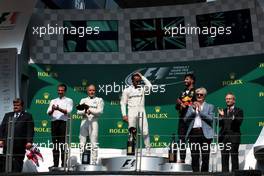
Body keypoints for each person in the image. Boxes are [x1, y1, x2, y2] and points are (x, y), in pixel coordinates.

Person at [120, 72, 152, 154]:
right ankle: (133, 150)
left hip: (141, 111)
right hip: (131, 112)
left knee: (145, 131)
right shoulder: (127, 90)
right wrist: (124, 114)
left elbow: (150, 86)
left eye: (139, 81)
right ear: (132, 81)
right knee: (132, 132)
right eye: (136, 81)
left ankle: (148, 150)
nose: (138, 83)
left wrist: (142, 76)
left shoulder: (142, 88)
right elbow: (123, 103)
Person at [0, 98, 34, 172]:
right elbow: (2, 128)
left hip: (19, 145)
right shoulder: (7, 115)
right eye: (14, 105)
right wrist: (1, 139)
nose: (15, 107)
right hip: (7, 145)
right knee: (5, 164)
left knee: (17, 165)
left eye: (17, 105)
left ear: (22, 106)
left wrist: (29, 141)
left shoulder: (27, 116)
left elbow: (30, 130)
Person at [184, 87, 214, 172]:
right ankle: (195, 174)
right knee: (194, 156)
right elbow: (185, 119)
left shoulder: (210, 106)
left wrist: (200, 112)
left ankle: (204, 174)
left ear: (204, 96)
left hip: (205, 134)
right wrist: (193, 110)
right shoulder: (191, 107)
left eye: (201, 94)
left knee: (205, 156)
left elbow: (211, 119)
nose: (199, 96)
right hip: (193, 134)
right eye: (197, 94)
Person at [47, 84, 73, 168]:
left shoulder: (69, 100)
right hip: (54, 123)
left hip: (63, 123)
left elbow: (68, 111)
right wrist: (53, 109)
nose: (60, 92)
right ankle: (55, 164)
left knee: (62, 145)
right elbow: (48, 113)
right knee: (55, 145)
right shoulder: (53, 101)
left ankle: (63, 164)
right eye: (59, 90)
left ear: (65, 91)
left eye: (62, 90)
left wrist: (59, 109)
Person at [77, 84, 104, 165]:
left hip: (94, 121)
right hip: (84, 121)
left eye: (93, 90)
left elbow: (100, 111)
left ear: (95, 91)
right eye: (90, 90)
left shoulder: (99, 100)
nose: (92, 92)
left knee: (94, 142)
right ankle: (82, 160)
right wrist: (85, 111)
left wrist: (90, 110)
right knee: (82, 142)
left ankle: (94, 161)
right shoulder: (83, 100)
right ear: (87, 91)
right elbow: (78, 112)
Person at [218, 92, 243, 172]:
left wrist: (233, 117)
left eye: (229, 99)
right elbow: (219, 124)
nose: (227, 100)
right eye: (226, 99)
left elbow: (239, 122)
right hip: (223, 138)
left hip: (234, 138)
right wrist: (221, 116)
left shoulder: (239, 110)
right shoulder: (223, 111)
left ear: (234, 100)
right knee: (224, 158)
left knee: (234, 158)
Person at [175, 73, 196, 163]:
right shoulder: (182, 92)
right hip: (182, 119)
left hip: (192, 119)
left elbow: (196, 105)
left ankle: (194, 159)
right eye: (185, 79)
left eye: (187, 79)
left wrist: (185, 105)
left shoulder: (196, 92)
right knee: (181, 139)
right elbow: (176, 106)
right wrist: (180, 104)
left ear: (192, 81)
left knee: (192, 139)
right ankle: (182, 159)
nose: (185, 81)